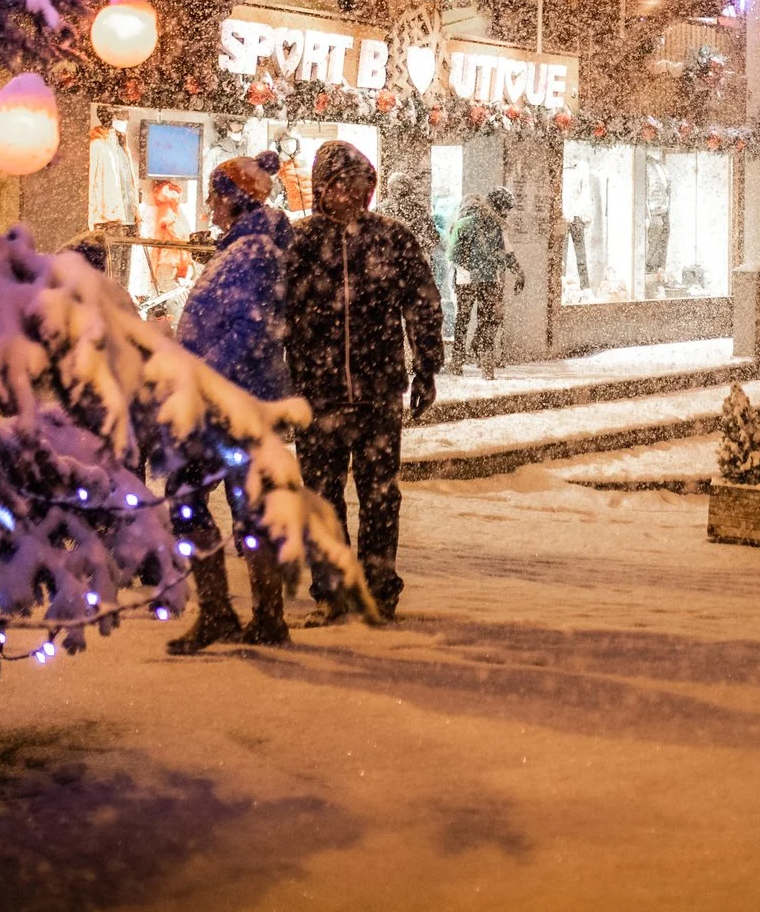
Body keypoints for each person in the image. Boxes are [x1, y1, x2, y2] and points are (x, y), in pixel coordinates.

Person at [281, 142, 444, 621]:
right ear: (322, 189)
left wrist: (427, 365)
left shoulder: (393, 239)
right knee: (322, 498)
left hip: (377, 392)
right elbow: (277, 316)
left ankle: (378, 588)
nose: (353, 196)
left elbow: (423, 303)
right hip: (317, 393)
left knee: (379, 495)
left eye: (360, 186)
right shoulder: (300, 242)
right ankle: (331, 591)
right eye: (341, 186)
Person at [166, 156, 295, 652]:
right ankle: (247, 613)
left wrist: (204, 375)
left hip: (233, 402)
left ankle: (247, 613)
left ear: (232, 199)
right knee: (221, 500)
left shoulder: (252, 253)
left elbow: (250, 330)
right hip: (232, 399)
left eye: (215, 195)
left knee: (213, 500)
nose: (210, 206)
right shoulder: (243, 249)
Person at [450, 187, 524, 378]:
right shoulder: (496, 226)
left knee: (462, 321)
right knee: (486, 321)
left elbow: (452, 255)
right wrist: (518, 274)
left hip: (465, 281)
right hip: (490, 280)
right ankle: (486, 367)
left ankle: (457, 362)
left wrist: (469, 268)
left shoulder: (462, 224)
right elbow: (508, 254)